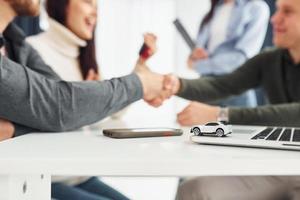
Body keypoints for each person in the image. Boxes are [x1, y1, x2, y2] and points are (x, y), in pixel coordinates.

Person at [150, 0, 300, 198]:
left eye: (287, 12)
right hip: (281, 168)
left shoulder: (252, 9)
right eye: (278, 10)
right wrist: (175, 84)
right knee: (192, 190)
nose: (274, 18)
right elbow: (222, 85)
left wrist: (221, 114)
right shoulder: (270, 59)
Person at [0, 0, 171, 144]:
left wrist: (15, 128)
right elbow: (61, 107)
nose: (95, 12)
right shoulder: (35, 46)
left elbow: (68, 111)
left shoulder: (19, 44)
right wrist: (140, 84)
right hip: (45, 174)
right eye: (88, 2)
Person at [188, 0, 270, 107]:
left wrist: (198, 65)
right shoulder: (214, 11)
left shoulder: (256, 8)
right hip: (206, 86)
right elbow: (198, 52)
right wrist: (194, 57)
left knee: (240, 123)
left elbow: (239, 59)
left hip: (234, 87)